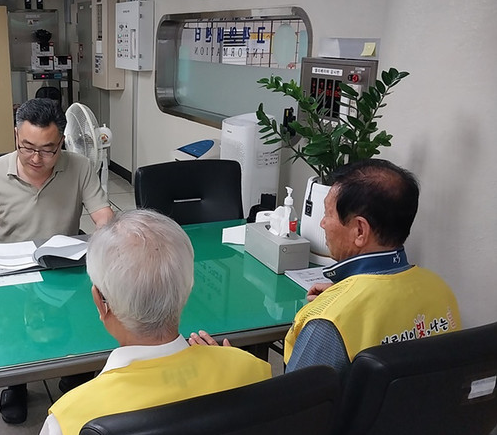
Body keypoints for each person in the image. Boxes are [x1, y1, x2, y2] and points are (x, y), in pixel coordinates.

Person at [0, 210, 271, 435]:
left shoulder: (73, 419)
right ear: (188, 288)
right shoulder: (253, 370)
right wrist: (227, 360)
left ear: (99, 302)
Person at [190, 159, 460, 379]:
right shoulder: (441, 291)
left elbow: (291, 411)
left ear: (359, 230)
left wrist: (230, 370)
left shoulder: (328, 321)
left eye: (328, 214)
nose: (322, 224)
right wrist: (343, 294)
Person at [0, 97, 114, 423]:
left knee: (88, 312)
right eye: (27, 147)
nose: (36, 158)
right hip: (13, 272)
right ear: (16, 135)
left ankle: (75, 373)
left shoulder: (79, 167)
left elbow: (103, 214)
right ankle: (15, 384)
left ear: (62, 141)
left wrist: (108, 231)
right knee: (11, 324)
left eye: (48, 150)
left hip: (63, 267)